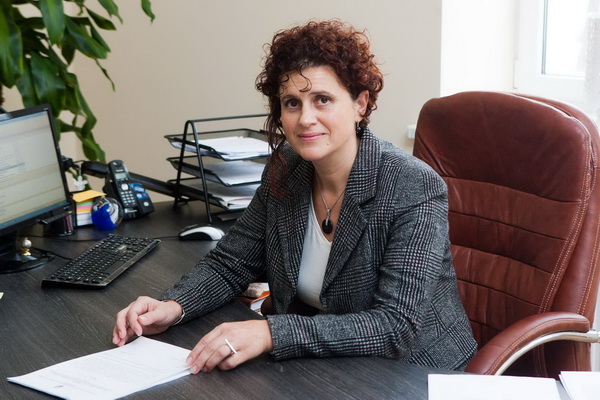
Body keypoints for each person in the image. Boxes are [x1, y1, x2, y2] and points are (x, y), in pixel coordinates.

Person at [113, 19, 477, 374]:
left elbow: (394, 326)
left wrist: (271, 333)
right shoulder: (286, 168)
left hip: (414, 374)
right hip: (326, 367)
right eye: (292, 103)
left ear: (360, 104)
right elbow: (231, 264)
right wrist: (173, 306)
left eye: (323, 99)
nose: (305, 119)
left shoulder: (411, 185)